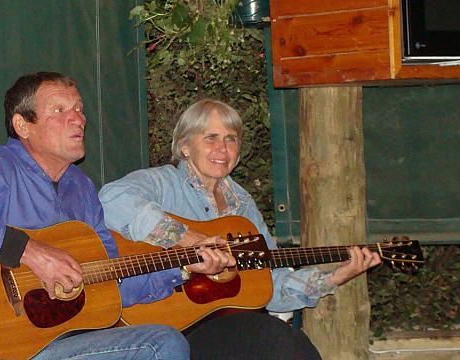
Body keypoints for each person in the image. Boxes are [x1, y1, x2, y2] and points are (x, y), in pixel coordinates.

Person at [0, 72, 190, 359]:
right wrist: (28, 251)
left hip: (62, 339)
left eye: (79, 108)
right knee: (161, 344)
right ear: (23, 125)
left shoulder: (81, 187)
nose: (78, 119)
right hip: (5, 345)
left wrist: (184, 267)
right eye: (59, 110)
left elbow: (109, 281)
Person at [98, 98, 382, 359]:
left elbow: (272, 285)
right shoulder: (162, 183)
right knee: (274, 338)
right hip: (161, 323)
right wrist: (186, 239)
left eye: (231, 139)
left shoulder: (243, 207)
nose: (222, 149)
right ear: (185, 146)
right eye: (211, 138)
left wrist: (334, 277)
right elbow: (111, 199)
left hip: (221, 326)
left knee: (288, 343)